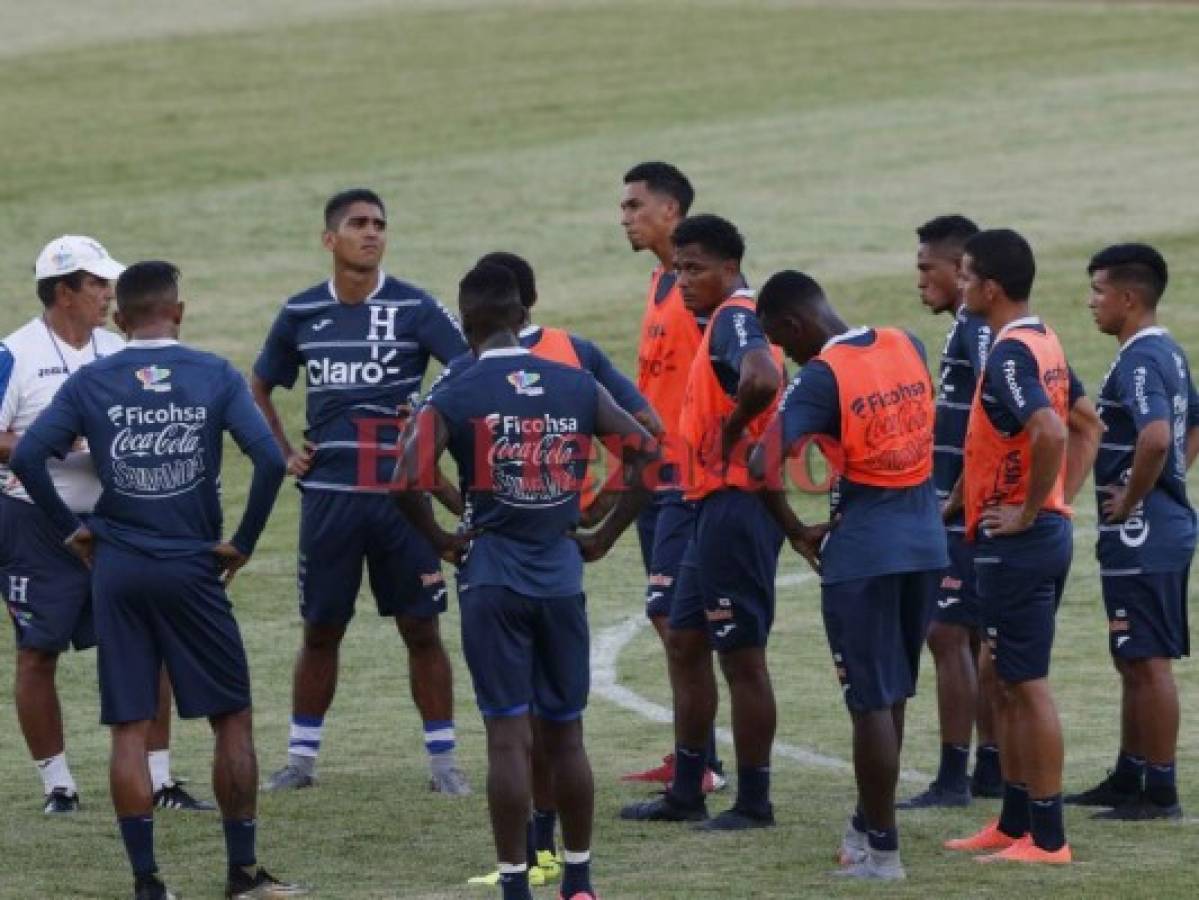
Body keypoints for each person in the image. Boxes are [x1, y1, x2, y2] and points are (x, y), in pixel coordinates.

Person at [10, 261, 303, 900]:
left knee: (129, 727)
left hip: (116, 566)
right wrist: (243, 544)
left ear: (121, 320)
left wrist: (71, 530)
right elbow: (269, 463)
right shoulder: (214, 373)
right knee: (231, 718)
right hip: (191, 565)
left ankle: (147, 885)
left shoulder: (93, 378)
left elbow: (30, 455)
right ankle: (242, 873)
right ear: (181, 310)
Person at [393, 261, 657, 900]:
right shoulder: (574, 381)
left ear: (470, 326)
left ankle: (516, 883)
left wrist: (444, 539)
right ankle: (580, 880)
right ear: (520, 316)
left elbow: (405, 477)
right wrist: (602, 532)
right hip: (561, 577)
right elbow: (648, 451)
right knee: (566, 734)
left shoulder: (454, 390)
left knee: (507, 736)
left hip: (492, 579)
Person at [251, 188, 471, 794]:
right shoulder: (299, 313)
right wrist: (283, 452)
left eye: (379, 224)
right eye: (357, 224)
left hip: (402, 499)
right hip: (329, 498)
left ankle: (443, 763)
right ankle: (300, 761)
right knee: (321, 629)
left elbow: (470, 370)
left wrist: (426, 420)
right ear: (330, 239)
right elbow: (260, 385)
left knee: (421, 628)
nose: (371, 233)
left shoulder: (416, 307)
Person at [0, 235, 211, 814]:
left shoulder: (117, 348)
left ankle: (160, 778)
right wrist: (48, 440)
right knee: (38, 652)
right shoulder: (13, 353)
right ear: (63, 291)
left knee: (149, 643)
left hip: (118, 520)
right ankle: (58, 785)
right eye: (95, 283)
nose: (107, 293)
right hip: (35, 522)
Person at [752, 270, 947, 880]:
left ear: (792, 325)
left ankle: (882, 853)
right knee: (894, 692)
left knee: (868, 703)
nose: (785, 356)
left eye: (781, 343)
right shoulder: (904, 341)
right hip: (926, 544)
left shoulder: (821, 375)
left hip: (863, 552)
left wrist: (795, 529)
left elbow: (761, 463)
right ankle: (867, 824)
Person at [620, 214, 784, 830]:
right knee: (685, 638)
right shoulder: (718, 317)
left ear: (731, 269)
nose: (683, 279)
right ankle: (687, 789)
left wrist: (732, 431)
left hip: (734, 505)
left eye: (696, 269)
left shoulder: (738, 315)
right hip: (703, 504)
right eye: (679, 268)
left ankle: (754, 801)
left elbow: (764, 377)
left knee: (740, 655)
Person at [944, 229, 1100, 864]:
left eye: (966, 276)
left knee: (1026, 683)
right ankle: (1013, 822)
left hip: (1020, 541)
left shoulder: (1010, 353)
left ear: (991, 288)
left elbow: (1051, 431)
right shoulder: (1043, 337)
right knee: (996, 673)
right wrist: (966, 494)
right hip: (1028, 534)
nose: (959, 286)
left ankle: (1050, 837)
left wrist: (1036, 507)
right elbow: (1089, 423)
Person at [1064, 243, 1198, 820]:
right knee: (1131, 655)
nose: (1090, 302)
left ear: (1128, 297)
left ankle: (1160, 790)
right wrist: (1169, 481)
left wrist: (1137, 493)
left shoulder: (1141, 359)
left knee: (1147, 661)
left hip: (1145, 531)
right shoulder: (1166, 350)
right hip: (1151, 526)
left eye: (1098, 291)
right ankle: (1130, 774)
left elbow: (1157, 437)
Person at [617, 163, 726, 790]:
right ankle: (697, 755)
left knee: (676, 618)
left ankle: (703, 763)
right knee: (670, 618)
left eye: (635, 205)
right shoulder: (661, 284)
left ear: (672, 212)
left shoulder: (702, 295)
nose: (625, 217)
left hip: (690, 480)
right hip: (655, 478)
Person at [899, 214, 1003, 808]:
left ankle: (952, 777)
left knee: (946, 634)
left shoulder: (977, 326)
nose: (919, 281)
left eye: (926, 268)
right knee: (968, 640)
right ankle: (987, 768)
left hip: (965, 511)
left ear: (961, 269)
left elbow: (995, 406)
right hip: (966, 504)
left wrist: (961, 492)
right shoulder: (970, 325)